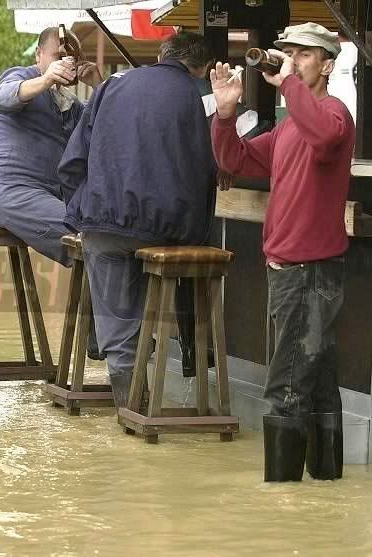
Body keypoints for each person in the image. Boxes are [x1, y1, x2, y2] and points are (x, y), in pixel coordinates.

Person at [210, 22, 354, 481]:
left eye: (304, 54)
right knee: (318, 385)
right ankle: (324, 494)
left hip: (309, 271)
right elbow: (234, 160)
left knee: (285, 386)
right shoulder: (292, 125)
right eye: (289, 52)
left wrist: (289, 82)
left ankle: (283, 505)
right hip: (294, 269)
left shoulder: (333, 115)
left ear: (327, 65)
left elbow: (326, 137)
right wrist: (226, 115)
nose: (292, 60)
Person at [58, 32, 217, 409]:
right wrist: (195, 236)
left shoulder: (112, 85)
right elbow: (203, 172)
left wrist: (81, 209)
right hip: (163, 230)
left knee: (118, 323)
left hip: (103, 225)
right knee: (151, 299)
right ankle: (152, 397)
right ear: (202, 68)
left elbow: (71, 162)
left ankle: (130, 410)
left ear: (162, 54)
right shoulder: (191, 97)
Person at [0, 26, 104, 357]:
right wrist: (47, 78)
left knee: (102, 235)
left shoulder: (70, 104)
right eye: (56, 57)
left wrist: (99, 86)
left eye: (70, 60)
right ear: (39, 56)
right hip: (7, 191)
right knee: (89, 237)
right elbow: (3, 96)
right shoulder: (22, 77)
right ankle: (104, 336)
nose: (63, 65)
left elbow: (103, 129)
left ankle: (101, 336)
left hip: (42, 197)